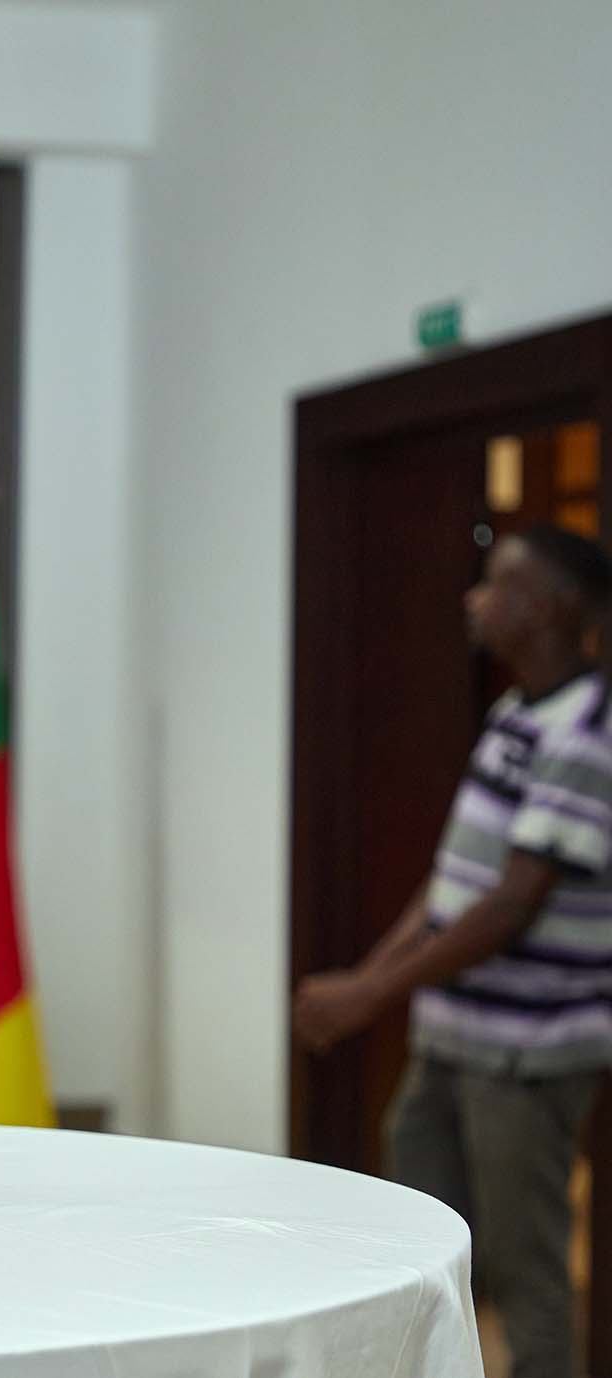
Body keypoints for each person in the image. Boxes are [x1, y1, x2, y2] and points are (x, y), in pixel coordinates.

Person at [294, 523, 612, 1378]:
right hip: (452, 1036)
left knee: (522, 1266)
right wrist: (364, 981)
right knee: (417, 1237)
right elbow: (452, 883)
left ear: (553, 607)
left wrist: (369, 997)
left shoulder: (588, 732)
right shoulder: (514, 713)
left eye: (499, 585)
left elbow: (510, 905)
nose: (475, 599)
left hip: (525, 1052)